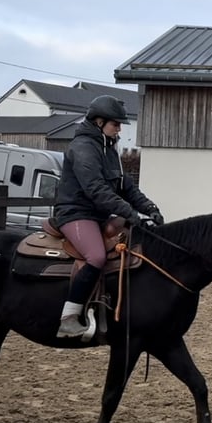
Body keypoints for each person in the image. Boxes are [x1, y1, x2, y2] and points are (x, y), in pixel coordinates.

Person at [49, 95, 165, 338]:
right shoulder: (83, 148)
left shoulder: (109, 149)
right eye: (116, 124)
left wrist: (149, 208)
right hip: (75, 213)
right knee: (97, 256)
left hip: (98, 215)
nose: (120, 128)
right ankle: (68, 318)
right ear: (99, 122)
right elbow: (96, 189)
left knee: (135, 239)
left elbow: (127, 187)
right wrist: (129, 213)